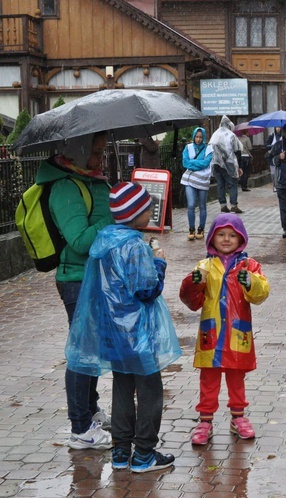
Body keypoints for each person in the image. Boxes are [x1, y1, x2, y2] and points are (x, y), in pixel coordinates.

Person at [65, 182, 180, 472]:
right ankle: (144, 453)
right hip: (137, 335)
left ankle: (120, 452)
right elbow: (146, 291)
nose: (153, 211)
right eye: (148, 208)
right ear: (136, 213)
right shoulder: (133, 245)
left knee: (122, 388)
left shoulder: (104, 241)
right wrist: (159, 263)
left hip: (113, 335)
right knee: (150, 390)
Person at [37, 131, 114, 450]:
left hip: (93, 277)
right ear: (78, 151)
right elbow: (81, 241)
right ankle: (80, 428)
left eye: (102, 149)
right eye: (95, 150)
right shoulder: (66, 187)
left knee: (92, 350)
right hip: (77, 279)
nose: (101, 156)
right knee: (82, 353)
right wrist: (113, 218)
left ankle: (91, 410)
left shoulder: (91, 179)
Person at [179, 214, 270, 445]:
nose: (227, 239)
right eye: (221, 234)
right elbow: (192, 301)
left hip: (237, 332)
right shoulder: (204, 266)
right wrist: (193, 282)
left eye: (232, 235)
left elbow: (260, 294)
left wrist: (250, 281)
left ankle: (238, 417)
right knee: (208, 378)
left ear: (241, 239)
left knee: (236, 376)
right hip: (212, 332)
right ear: (212, 237)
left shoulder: (249, 266)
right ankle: (205, 420)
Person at [181, 127, 213, 241]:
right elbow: (185, 162)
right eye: (196, 137)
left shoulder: (209, 149)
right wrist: (197, 163)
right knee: (191, 205)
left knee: (202, 206)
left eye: (200, 137)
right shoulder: (188, 147)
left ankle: (201, 228)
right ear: (194, 137)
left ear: (203, 137)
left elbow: (206, 163)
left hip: (203, 180)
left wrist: (193, 162)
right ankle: (191, 228)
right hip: (189, 180)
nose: (198, 139)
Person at [209, 116, 243, 214]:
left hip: (216, 164)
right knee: (232, 184)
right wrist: (239, 166)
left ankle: (223, 205)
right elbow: (237, 151)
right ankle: (233, 205)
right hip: (229, 163)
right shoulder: (231, 135)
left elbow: (210, 149)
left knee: (220, 184)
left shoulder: (215, 134)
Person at [265, 126, 282, 191]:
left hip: (280, 155)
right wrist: (274, 146)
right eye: (277, 127)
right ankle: (275, 185)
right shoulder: (271, 135)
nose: (278, 129)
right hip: (272, 156)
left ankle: (279, 184)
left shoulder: (282, 136)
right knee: (273, 172)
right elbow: (266, 145)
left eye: (279, 127)